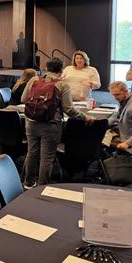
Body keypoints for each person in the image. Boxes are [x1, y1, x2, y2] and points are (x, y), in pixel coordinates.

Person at [21, 58, 91, 186]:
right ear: (61, 70)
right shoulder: (62, 84)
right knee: (47, 157)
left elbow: (23, 98)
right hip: (51, 124)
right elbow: (68, 109)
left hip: (31, 122)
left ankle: (28, 182)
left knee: (31, 152)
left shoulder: (34, 80)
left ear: (46, 68)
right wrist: (84, 117)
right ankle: (42, 186)